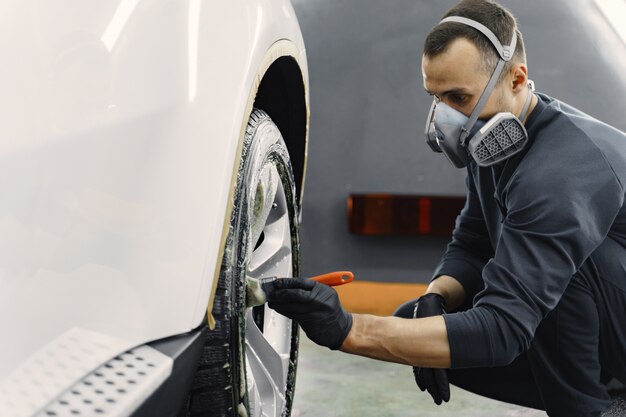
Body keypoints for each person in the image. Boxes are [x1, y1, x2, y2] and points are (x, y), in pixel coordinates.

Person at [263, 1, 626, 416]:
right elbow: (472, 244)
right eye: (436, 98)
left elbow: (504, 327)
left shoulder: (562, 171)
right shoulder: (496, 145)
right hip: (610, 319)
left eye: (459, 97)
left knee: (554, 277)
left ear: (516, 78)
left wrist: (349, 329)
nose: (446, 118)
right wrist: (436, 296)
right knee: (415, 320)